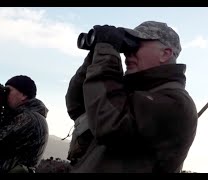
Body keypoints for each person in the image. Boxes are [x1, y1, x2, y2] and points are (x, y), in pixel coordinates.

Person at [65, 21, 198, 173]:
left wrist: (106, 53)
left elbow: (109, 123)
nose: (128, 52)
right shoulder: (130, 94)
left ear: (165, 54)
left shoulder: (176, 104)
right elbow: (78, 105)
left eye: (135, 45)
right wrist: (97, 52)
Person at [0, 75, 49, 173]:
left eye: (8, 91)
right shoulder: (18, 116)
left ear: (24, 95)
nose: (4, 95)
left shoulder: (30, 118)